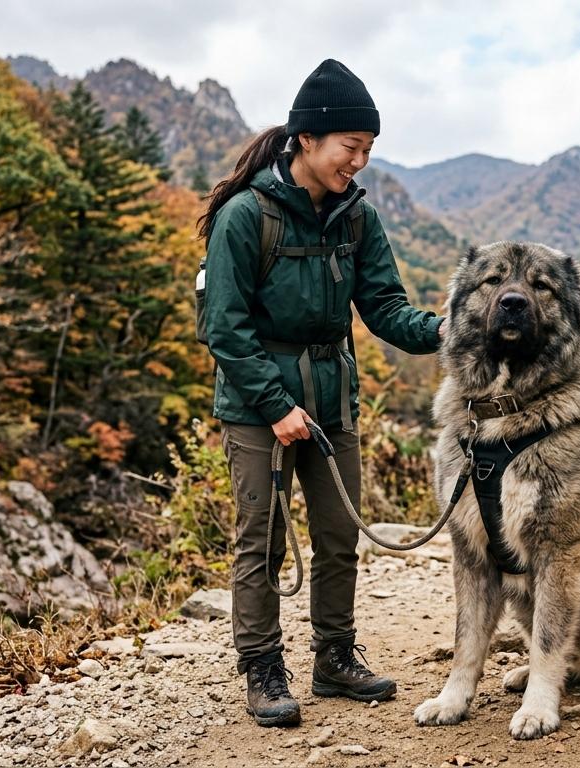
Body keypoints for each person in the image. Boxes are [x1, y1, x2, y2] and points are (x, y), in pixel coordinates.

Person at [195, 59, 447, 728]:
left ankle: (335, 657)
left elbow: (385, 306)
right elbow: (223, 328)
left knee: (338, 537)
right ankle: (261, 667)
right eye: (351, 147)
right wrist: (276, 407)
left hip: (332, 398)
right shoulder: (245, 216)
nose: (359, 163)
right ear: (307, 139)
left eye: (368, 150)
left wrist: (450, 331)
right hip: (257, 406)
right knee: (263, 541)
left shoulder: (357, 218)